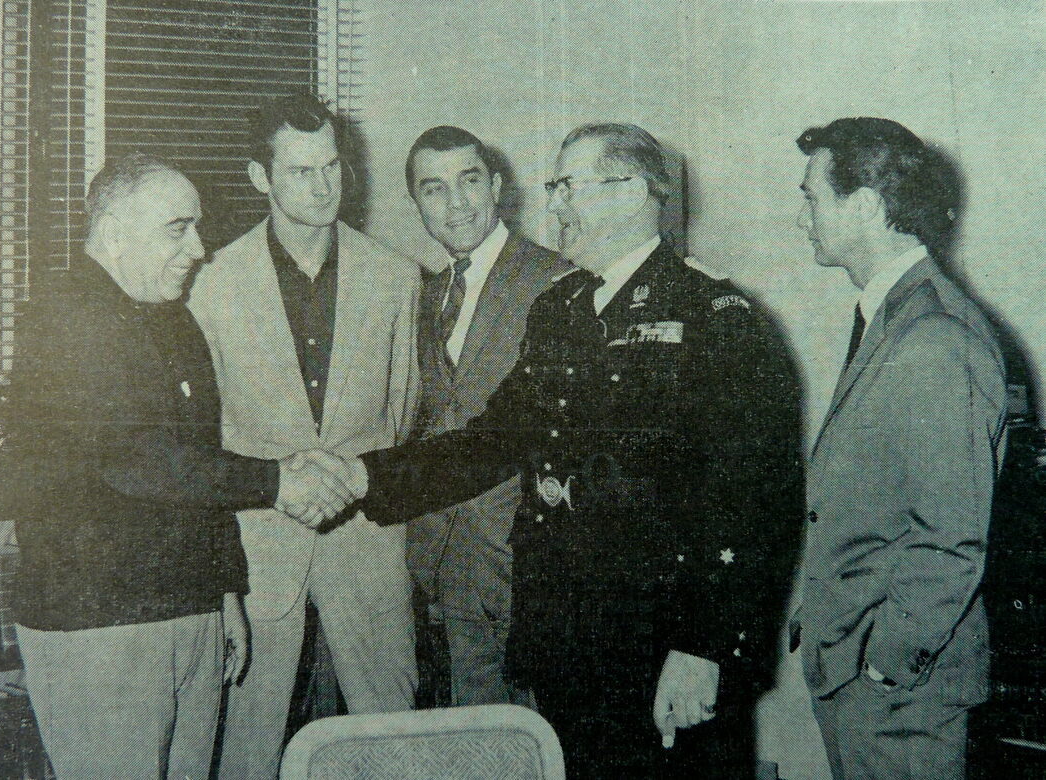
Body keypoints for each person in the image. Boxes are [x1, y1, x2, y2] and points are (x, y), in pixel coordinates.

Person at [305, 123, 803, 778]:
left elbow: (753, 504)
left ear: (631, 191)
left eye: (568, 186)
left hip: (664, 646)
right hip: (567, 641)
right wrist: (363, 476)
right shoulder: (562, 308)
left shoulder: (714, 317)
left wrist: (703, 648)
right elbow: (495, 438)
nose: (555, 204)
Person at [1, 153, 341, 780]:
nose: (199, 248)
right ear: (114, 233)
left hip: (188, 610)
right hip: (100, 624)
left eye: (198, 227)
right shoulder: (64, 318)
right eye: (178, 228)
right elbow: (133, 458)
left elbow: (200, 459)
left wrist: (224, 591)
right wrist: (276, 481)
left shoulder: (174, 320)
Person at [187, 93, 420, 779]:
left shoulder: (395, 275)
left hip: (366, 541)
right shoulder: (210, 283)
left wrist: (347, 484)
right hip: (258, 546)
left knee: (394, 737)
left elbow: (400, 412)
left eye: (332, 167)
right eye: (300, 171)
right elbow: (207, 431)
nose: (323, 187)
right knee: (244, 745)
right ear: (260, 177)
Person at [788, 117, 1008, 780]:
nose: (802, 219)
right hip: (861, 675)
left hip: (899, 694)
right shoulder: (894, 316)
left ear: (865, 206)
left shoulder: (934, 336)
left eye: (812, 199)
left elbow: (950, 538)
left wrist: (886, 665)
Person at [403, 126, 570, 706]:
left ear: (496, 186)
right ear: (417, 203)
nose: (456, 203)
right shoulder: (422, 295)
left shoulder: (557, 280)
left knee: (526, 730)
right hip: (437, 559)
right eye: (434, 189)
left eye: (469, 181)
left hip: (520, 558)